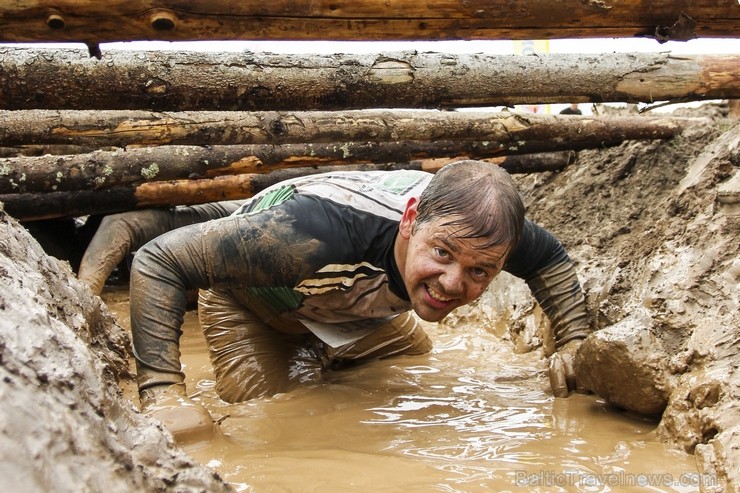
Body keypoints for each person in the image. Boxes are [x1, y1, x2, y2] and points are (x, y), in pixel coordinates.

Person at [79, 160, 590, 440]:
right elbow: (158, 261)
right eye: (442, 254)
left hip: (357, 304)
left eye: (481, 271)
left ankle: (329, 350)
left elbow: (552, 261)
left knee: (419, 358)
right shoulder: (311, 233)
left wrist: (575, 339)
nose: (455, 284)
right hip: (257, 306)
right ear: (411, 221)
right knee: (275, 419)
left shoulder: (490, 230)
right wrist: (164, 393)